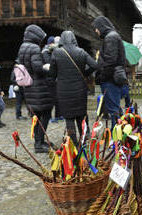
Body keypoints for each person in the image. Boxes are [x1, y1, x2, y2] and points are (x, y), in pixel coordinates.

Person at [48, 31, 98, 146]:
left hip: (64, 90)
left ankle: (73, 143)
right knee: (81, 115)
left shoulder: (57, 53)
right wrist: (85, 73)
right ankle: (84, 139)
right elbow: (95, 65)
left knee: (69, 117)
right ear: (74, 39)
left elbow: (51, 74)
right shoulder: (81, 52)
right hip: (80, 89)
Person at [18, 24, 53, 153]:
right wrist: (46, 67)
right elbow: (37, 68)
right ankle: (39, 143)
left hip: (29, 87)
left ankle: (40, 141)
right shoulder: (34, 48)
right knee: (46, 113)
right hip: (38, 87)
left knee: (37, 115)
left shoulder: (22, 47)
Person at [92, 16, 126, 129]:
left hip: (110, 80)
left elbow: (110, 61)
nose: (96, 31)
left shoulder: (110, 38)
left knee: (113, 110)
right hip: (111, 79)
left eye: (96, 28)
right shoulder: (112, 36)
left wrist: (102, 77)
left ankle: (116, 139)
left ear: (101, 26)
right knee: (115, 108)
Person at [42, 36, 63, 123]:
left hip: (55, 79)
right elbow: (49, 63)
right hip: (48, 79)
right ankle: (49, 117)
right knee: (50, 99)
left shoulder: (53, 51)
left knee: (58, 98)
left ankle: (58, 115)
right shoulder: (45, 52)